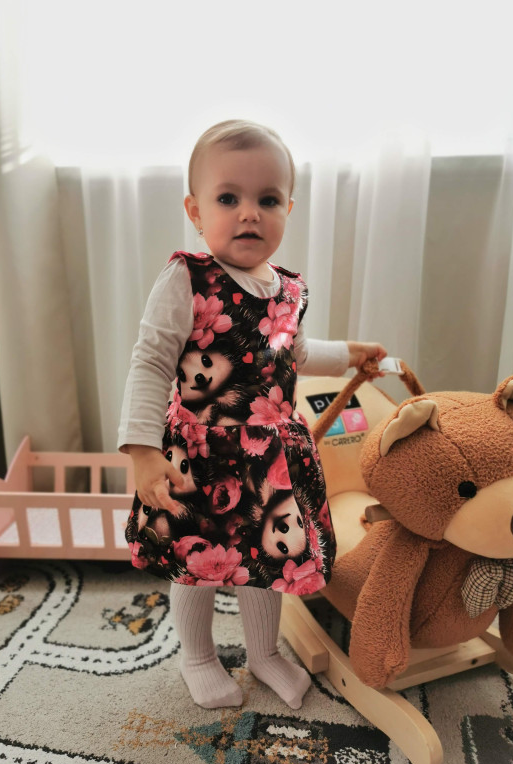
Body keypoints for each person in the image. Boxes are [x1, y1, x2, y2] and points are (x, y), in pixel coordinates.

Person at [118, 119, 386, 710]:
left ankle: (264, 653)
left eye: (267, 200)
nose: (249, 214)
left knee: (268, 559)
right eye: (227, 199)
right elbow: (150, 362)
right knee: (197, 561)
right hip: (201, 454)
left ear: (288, 208)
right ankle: (197, 656)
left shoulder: (289, 290)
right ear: (195, 210)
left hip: (270, 457)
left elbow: (294, 354)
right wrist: (141, 452)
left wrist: (350, 354)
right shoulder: (187, 279)